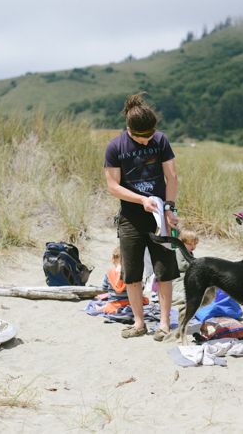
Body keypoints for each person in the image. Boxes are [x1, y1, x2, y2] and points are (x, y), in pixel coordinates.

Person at [104, 92, 179, 341]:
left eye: (150, 136)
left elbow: (172, 177)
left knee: (164, 270)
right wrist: (141, 200)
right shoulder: (115, 147)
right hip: (131, 217)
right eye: (141, 137)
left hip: (160, 216)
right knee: (133, 273)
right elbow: (113, 186)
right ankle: (139, 323)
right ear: (129, 129)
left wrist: (169, 208)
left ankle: (165, 324)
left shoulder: (160, 140)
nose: (147, 142)